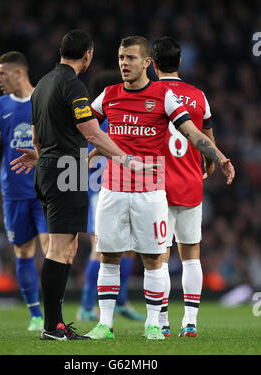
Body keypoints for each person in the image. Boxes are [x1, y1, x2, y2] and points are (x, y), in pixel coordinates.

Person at [10, 30, 157, 341]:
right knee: (60, 248)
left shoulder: (41, 86)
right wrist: (128, 160)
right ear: (87, 55)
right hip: (68, 169)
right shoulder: (72, 85)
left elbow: (37, 139)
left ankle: (55, 324)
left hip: (49, 168)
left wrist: (41, 156)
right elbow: (92, 134)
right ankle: (53, 327)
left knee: (68, 247)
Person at [85, 35, 234, 340]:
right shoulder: (108, 95)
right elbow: (84, 125)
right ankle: (105, 325)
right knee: (108, 255)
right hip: (113, 188)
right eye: (121, 58)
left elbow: (192, 133)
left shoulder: (163, 97)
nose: (124, 63)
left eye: (130, 58)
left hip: (151, 191)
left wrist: (219, 157)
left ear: (147, 63)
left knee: (154, 259)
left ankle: (154, 324)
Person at [151, 36, 217, 338]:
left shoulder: (149, 95)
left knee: (159, 257)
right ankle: (190, 322)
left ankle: (162, 321)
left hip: (156, 186)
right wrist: (211, 161)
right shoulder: (198, 96)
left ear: (152, 64)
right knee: (191, 255)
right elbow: (207, 141)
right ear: (180, 62)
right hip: (191, 183)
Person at [0, 51, 49, 331]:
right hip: (14, 192)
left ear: (19, 73)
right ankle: (35, 314)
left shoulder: (42, 101)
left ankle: (53, 310)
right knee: (22, 251)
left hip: (44, 189)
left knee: (52, 249)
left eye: (2, 73)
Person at [77, 71, 145, 322]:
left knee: (128, 249)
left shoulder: (100, 118)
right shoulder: (103, 120)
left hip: (119, 188)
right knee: (103, 249)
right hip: (103, 190)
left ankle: (120, 302)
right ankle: (85, 306)